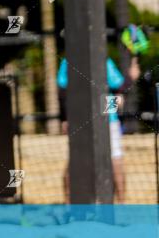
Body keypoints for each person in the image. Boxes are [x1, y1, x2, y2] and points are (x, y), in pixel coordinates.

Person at [57, 56, 134, 203]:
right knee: (115, 160)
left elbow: (62, 91)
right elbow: (119, 86)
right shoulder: (103, 59)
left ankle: (69, 206)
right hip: (106, 117)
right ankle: (122, 204)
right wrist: (131, 76)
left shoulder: (68, 61)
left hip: (81, 118)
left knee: (74, 161)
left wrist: (65, 119)